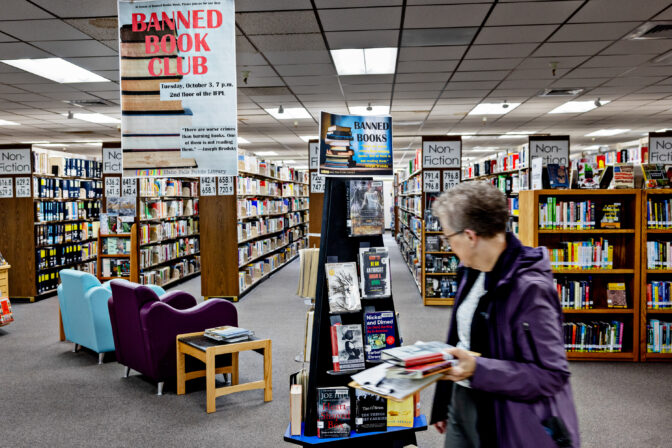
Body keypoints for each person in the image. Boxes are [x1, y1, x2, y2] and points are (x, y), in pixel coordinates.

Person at [430, 182, 579, 448]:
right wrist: (443, 403)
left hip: (505, 415)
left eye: (448, 238)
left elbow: (552, 375)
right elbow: (458, 339)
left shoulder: (531, 290)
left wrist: (478, 369)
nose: (448, 246)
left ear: (470, 236)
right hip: (462, 401)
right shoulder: (471, 270)